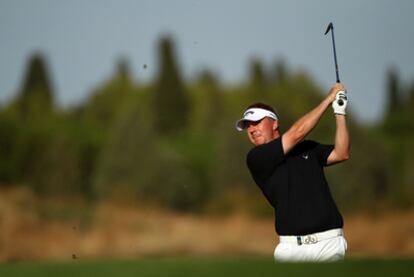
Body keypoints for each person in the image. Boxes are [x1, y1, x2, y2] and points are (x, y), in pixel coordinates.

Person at [235, 83, 349, 262]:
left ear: (274, 123)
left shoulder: (307, 148)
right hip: (290, 248)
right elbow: (297, 133)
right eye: (247, 126)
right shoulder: (257, 158)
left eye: (256, 122)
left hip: (329, 243)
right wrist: (328, 99)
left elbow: (341, 153)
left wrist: (339, 113)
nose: (251, 129)